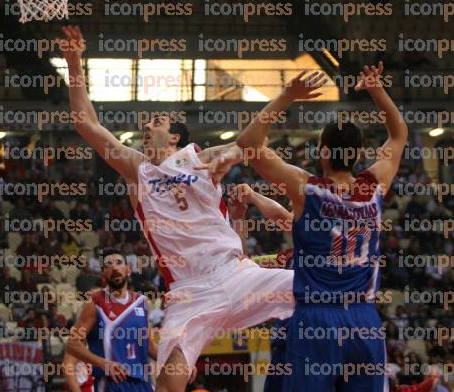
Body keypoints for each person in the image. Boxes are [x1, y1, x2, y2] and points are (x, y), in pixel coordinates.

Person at [59, 25, 294, 392]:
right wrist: (74, 63)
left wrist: (285, 96)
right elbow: (86, 123)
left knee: (325, 290)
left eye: (156, 122)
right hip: (189, 291)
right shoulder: (137, 170)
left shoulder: (202, 160)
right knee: (169, 381)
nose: (145, 126)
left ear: (175, 138)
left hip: (237, 274)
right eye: (146, 123)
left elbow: (249, 142)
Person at [236, 63, 408, 391]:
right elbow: (399, 134)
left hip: (318, 319)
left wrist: (287, 96)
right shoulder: (375, 186)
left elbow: (248, 143)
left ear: (322, 151)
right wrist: (376, 88)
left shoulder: (306, 188)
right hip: (364, 319)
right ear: (357, 154)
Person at [65, 249, 157, 391]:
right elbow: (72, 344)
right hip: (111, 383)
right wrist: (103, 363)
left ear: (128, 270)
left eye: (119, 263)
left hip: (142, 383)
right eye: (108, 265)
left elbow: (149, 345)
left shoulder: (142, 302)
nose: (114, 268)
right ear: (103, 273)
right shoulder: (95, 302)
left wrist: (180, 362)